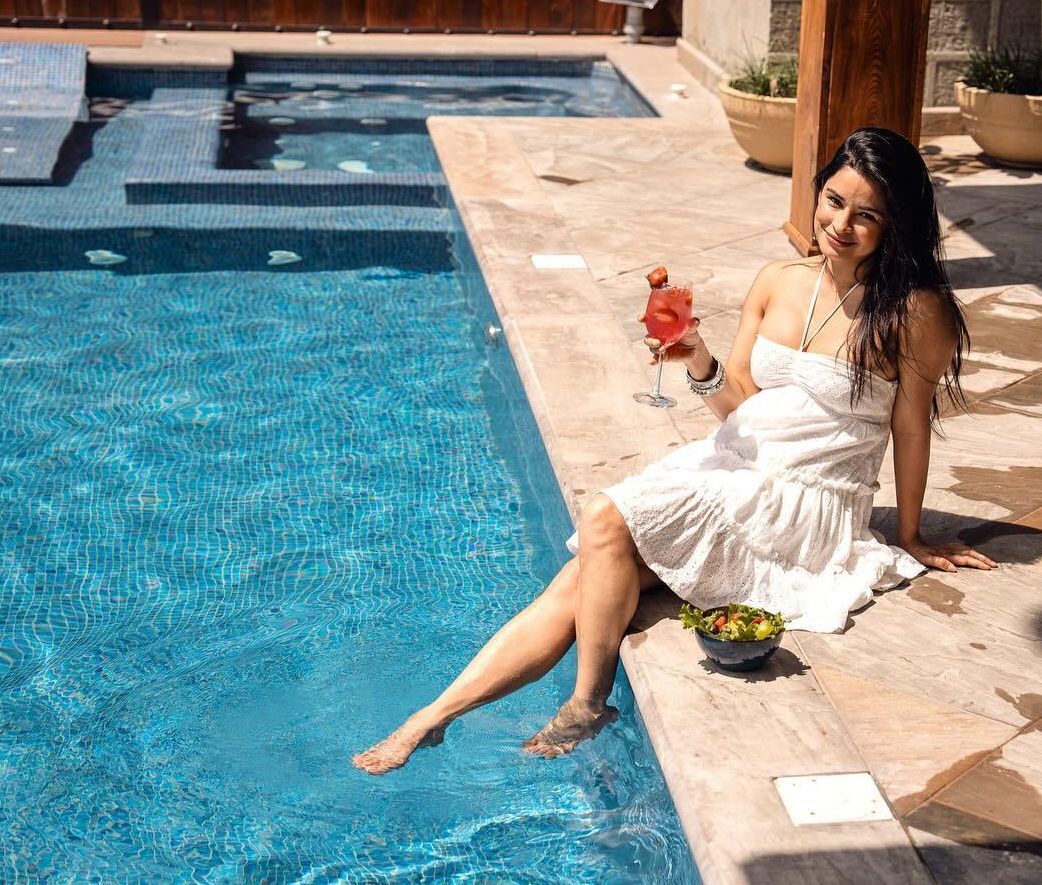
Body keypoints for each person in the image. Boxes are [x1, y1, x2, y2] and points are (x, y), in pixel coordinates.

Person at [351, 126, 996, 774]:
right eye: (833, 201)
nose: (840, 225)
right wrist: (698, 359)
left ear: (895, 224)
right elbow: (741, 404)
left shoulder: (916, 312)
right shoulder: (778, 280)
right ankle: (434, 715)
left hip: (806, 497)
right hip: (735, 461)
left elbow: (911, 428)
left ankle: (585, 701)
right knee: (587, 573)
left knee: (603, 519)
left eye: (866, 215)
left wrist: (910, 534)